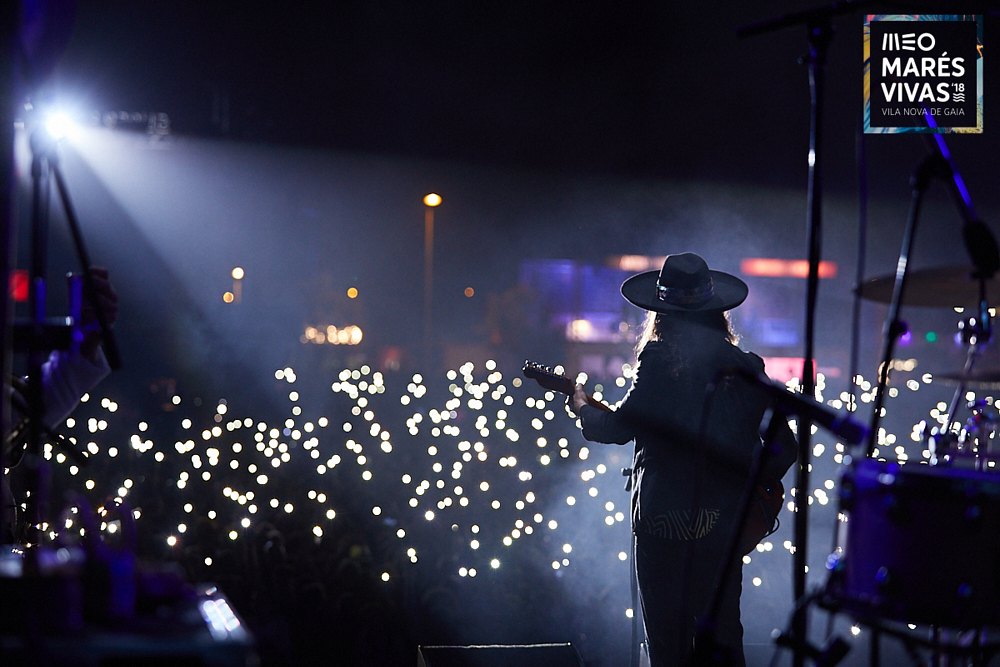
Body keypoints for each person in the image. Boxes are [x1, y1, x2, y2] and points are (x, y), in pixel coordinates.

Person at [570, 253, 797, 667]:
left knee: (668, 645)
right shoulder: (745, 366)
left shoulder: (659, 361)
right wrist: (746, 493)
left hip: (665, 524)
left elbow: (619, 427)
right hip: (723, 526)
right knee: (723, 640)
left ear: (661, 314)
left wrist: (583, 409)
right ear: (716, 313)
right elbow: (786, 446)